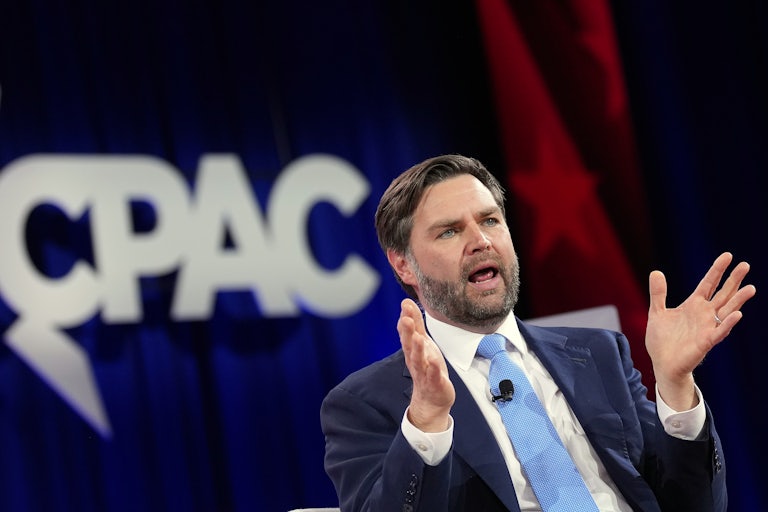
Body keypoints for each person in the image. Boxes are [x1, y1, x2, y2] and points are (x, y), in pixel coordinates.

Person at [320, 154, 755, 511]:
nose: (480, 241)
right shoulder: (365, 403)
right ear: (402, 264)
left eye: (490, 221)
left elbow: (693, 505)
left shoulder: (598, 352)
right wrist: (428, 421)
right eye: (450, 231)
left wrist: (676, 387)